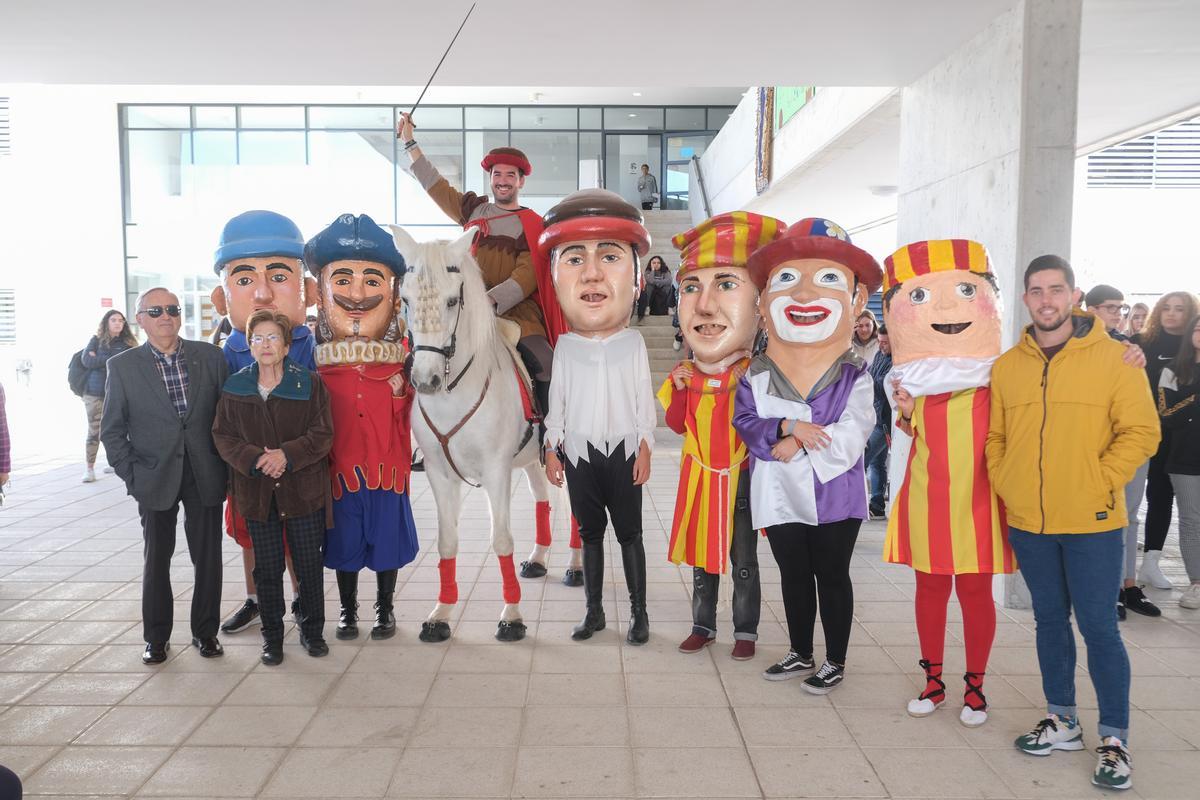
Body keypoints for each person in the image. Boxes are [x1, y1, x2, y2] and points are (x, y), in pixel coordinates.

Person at [986, 255, 1159, 792]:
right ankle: (1062, 718)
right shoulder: (1008, 365)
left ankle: (1113, 738)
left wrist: (1098, 479)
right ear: (1024, 299)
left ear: (1073, 295)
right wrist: (1007, 480)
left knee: (1100, 628)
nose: (1046, 300)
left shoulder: (1115, 359)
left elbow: (1141, 431)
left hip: (1093, 520)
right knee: (1048, 621)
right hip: (1030, 521)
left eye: (1055, 290)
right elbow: (997, 438)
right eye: (1036, 291)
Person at [399, 112, 576, 574]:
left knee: (544, 364)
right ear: (490, 178)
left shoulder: (531, 223)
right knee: (424, 354)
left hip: (516, 313)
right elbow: (436, 186)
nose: (502, 181)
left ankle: (550, 435)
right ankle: (427, 441)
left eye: (510, 176)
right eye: (497, 174)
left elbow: (528, 275)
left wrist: (490, 301)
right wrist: (411, 148)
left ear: (520, 181)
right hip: (466, 314)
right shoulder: (473, 210)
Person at [732, 218, 880, 694]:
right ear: (764, 302)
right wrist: (788, 426)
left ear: (856, 301)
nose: (803, 295)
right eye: (788, 281)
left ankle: (834, 658)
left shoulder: (854, 376)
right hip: (777, 492)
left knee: (831, 575)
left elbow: (854, 432)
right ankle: (800, 650)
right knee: (793, 575)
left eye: (828, 279)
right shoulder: (755, 373)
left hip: (834, 493)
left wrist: (796, 442)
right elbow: (746, 422)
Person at [881, 239, 1013, 728]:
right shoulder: (914, 382)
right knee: (930, 591)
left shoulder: (1001, 377)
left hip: (980, 496)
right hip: (927, 496)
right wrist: (908, 412)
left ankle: (975, 688)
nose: (944, 307)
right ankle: (933, 681)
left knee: (977, 594)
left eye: (963, 291)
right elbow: (911, 430)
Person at [661, 212, 785, 661]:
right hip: (699, 477)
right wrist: (678, 389)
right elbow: (677, 425)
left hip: (743, 478)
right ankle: (702, 624)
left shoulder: (759, 374)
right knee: (702, 557)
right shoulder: (688, 374)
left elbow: (769, 428)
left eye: (727, 284)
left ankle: (746, 631)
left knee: (744, 560)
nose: (706, 306)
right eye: (692, 287)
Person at [540, 188, 656, 645]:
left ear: (636, 278)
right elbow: (559, 402)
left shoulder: (634, 344)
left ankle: (639, 614)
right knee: (590, 536)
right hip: (581, 453)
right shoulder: (565, 347)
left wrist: (646, 443)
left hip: (624, 451)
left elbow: (644, 398)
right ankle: (593, 613)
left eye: (609, 257)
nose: (591, 273)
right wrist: (552, 447)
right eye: (574, 260)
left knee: (630, 535)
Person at [100, 288, 230, 665]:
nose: (165, 316)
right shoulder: (123, 367)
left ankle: (205, 633)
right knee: (157, 559)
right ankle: (156, 638)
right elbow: (112, 430)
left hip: (205, 472)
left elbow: (227, 418)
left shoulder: (211, 357)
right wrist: (133, 477)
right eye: (155, 311)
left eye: (172, 309)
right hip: (153, 477)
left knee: (208, 558)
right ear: (140, 319)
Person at [307, 213, 420, 641]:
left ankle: (385, 609)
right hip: (340, 473)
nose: (356, 295)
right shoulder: (312, 368)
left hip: (387, 470)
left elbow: (421, 422)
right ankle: (348, 610)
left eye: (373, 281)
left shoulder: (406, 366)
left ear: (393, 298)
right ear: (320, 293)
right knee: (344, 546)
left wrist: (399, 393)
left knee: (387, 540)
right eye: (343, 280)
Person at [210, 210, 317, 638]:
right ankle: (257, 599)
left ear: (307, 291)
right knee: (251, 536)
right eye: (242, 279)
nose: (261, 294)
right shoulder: (217, 360)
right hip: (248, 472)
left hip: (301, 468)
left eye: (278, 276)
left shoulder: (321, 351)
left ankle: (302, 601)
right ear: (222, 299)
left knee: (299, 540)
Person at [212, 310, 334, 665]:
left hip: (302, 491)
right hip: (257, 492)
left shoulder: (309, 383)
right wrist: (257, 458)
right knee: (266, 569)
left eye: (273, 338)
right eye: (258, 339)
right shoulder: (235, 387)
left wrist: (287, 455)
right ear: (249, 346)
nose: (265, 345)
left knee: (309, 565)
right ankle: (272, 638)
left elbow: (323, 433)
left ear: (286, 345)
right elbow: (223, 435)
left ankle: (312, 633)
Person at [1086, 284, 1159, 618]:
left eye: (1121, 308)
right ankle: (1108, 589)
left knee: (1129, 517)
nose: (1118, 314)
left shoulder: (1129, 347)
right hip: (1097, 445)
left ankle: (1128, 586)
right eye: (1111, 307)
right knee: (1104, 518)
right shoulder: (1078, 347)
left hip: (1129, 442)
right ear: (1091, 310)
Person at [1132, 291, 1200, 589]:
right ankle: (1141, 567)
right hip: (1149, 431)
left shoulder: (1191, 347)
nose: (1172, 314)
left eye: (1180, 309)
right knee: (1152, 497)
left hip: (1184, 438)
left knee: (1180, 505)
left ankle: (1156, 563)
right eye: (1167, 308)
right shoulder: (1141, 344)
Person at [1158, 313, 1200, 609]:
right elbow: (1167, 415)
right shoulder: (1172, 371)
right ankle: (1197, 583)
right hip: (1185, 459)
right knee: (1191, 521)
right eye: (1197, 327)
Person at [80, 310, 137, 483]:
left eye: (121, 320)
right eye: (114, 320)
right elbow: (86, 361)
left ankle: (115, 461)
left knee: (119, 429)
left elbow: (131, 364)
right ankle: (89, 468)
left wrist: (101, 358)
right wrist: (112, 357)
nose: (118, 323)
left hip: (119, 393)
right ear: (106, 322)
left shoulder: (128, 343)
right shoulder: (95, 340)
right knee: (94, 430)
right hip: (95, 393)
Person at [865, 324, 891, 519]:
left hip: (885, 421)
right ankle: (877, 505)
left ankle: (856, 502)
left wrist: (870, 381)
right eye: (879, 342)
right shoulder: (879, 355)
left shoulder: (899, 359)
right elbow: (874, 377)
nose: (881, 346)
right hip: (874, 415)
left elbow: (883, 385)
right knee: (877, 462)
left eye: (884, 343)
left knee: (863, 459)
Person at [636, 255, 674, 321]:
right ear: (651, 264)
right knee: (649, 286)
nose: (656, 264)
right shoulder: (648, 272)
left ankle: (669, 307)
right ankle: (647, 307)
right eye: (654, 263)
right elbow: (650, 280)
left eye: (658, 263)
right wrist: (652, 270)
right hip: (652, 293)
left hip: (663, 292)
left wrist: (656, 282)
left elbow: (669, 281)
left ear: (661, 264)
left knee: (669, 286)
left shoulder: (666, 271)